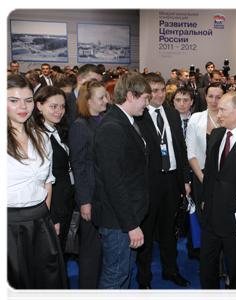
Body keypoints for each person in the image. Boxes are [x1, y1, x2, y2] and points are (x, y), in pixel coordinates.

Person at [5, 74, 68, 300]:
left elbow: (47, 181)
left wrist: (47, 216)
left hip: (41, 220)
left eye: (28, 100)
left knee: (46, 286)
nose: (23, 106)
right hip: (9, 225)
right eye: (14, 100)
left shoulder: (41, 137)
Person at [90, 72, 151, 299]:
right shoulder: (112, 127)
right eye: (145, 97)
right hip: (118, 221)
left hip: (126, 217)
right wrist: (131, 225)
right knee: (115, 276)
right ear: (130, 95)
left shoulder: (125, 121)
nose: (147, 103)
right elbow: (113, 183)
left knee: (123, 273)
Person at [135, 73, 191, 300]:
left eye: (161, 90)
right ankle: (144, 281)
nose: (158, 95)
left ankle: (171, 271)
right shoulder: (137, 115)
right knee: (146, 236)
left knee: (169, 233)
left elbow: (181, 148)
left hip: (171, 181)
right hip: (148, 184)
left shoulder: (172, 113)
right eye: (153, 91)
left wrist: (185, 179)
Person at [200, 91, 236, 300]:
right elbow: (210, 172)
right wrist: (204, 199)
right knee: (206, 267)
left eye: (223, 109)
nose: (218, 112)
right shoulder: (216, 134)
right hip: (211, 214)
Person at [68, 80, 108, 300]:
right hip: (91, 198)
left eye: (106, 96)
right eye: (101, 97)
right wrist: (84, 201)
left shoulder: (106, 119)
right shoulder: (80, 126)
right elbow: (79, 166)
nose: (106, 100)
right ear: (87, 100)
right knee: (91, 255)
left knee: (104, 253)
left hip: (107, 197)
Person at [33, 86, 75, 253]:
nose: (59, 111)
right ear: (39, 106)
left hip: (65, 201)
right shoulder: (38, 136)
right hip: (54, 205)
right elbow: (41, 181)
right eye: (53, 106)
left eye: (62, 106)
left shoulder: (57, 129)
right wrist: (52, 216)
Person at [186, 82, 225, 221]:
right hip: (200, 175)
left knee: (221, 218)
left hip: (223, 178)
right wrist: (204, 179)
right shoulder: (196, 118)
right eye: (210, 96)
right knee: (203, 217)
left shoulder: (228, 120)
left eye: (218, 97)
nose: (214, 101)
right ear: (205, 97)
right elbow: (190, 153)